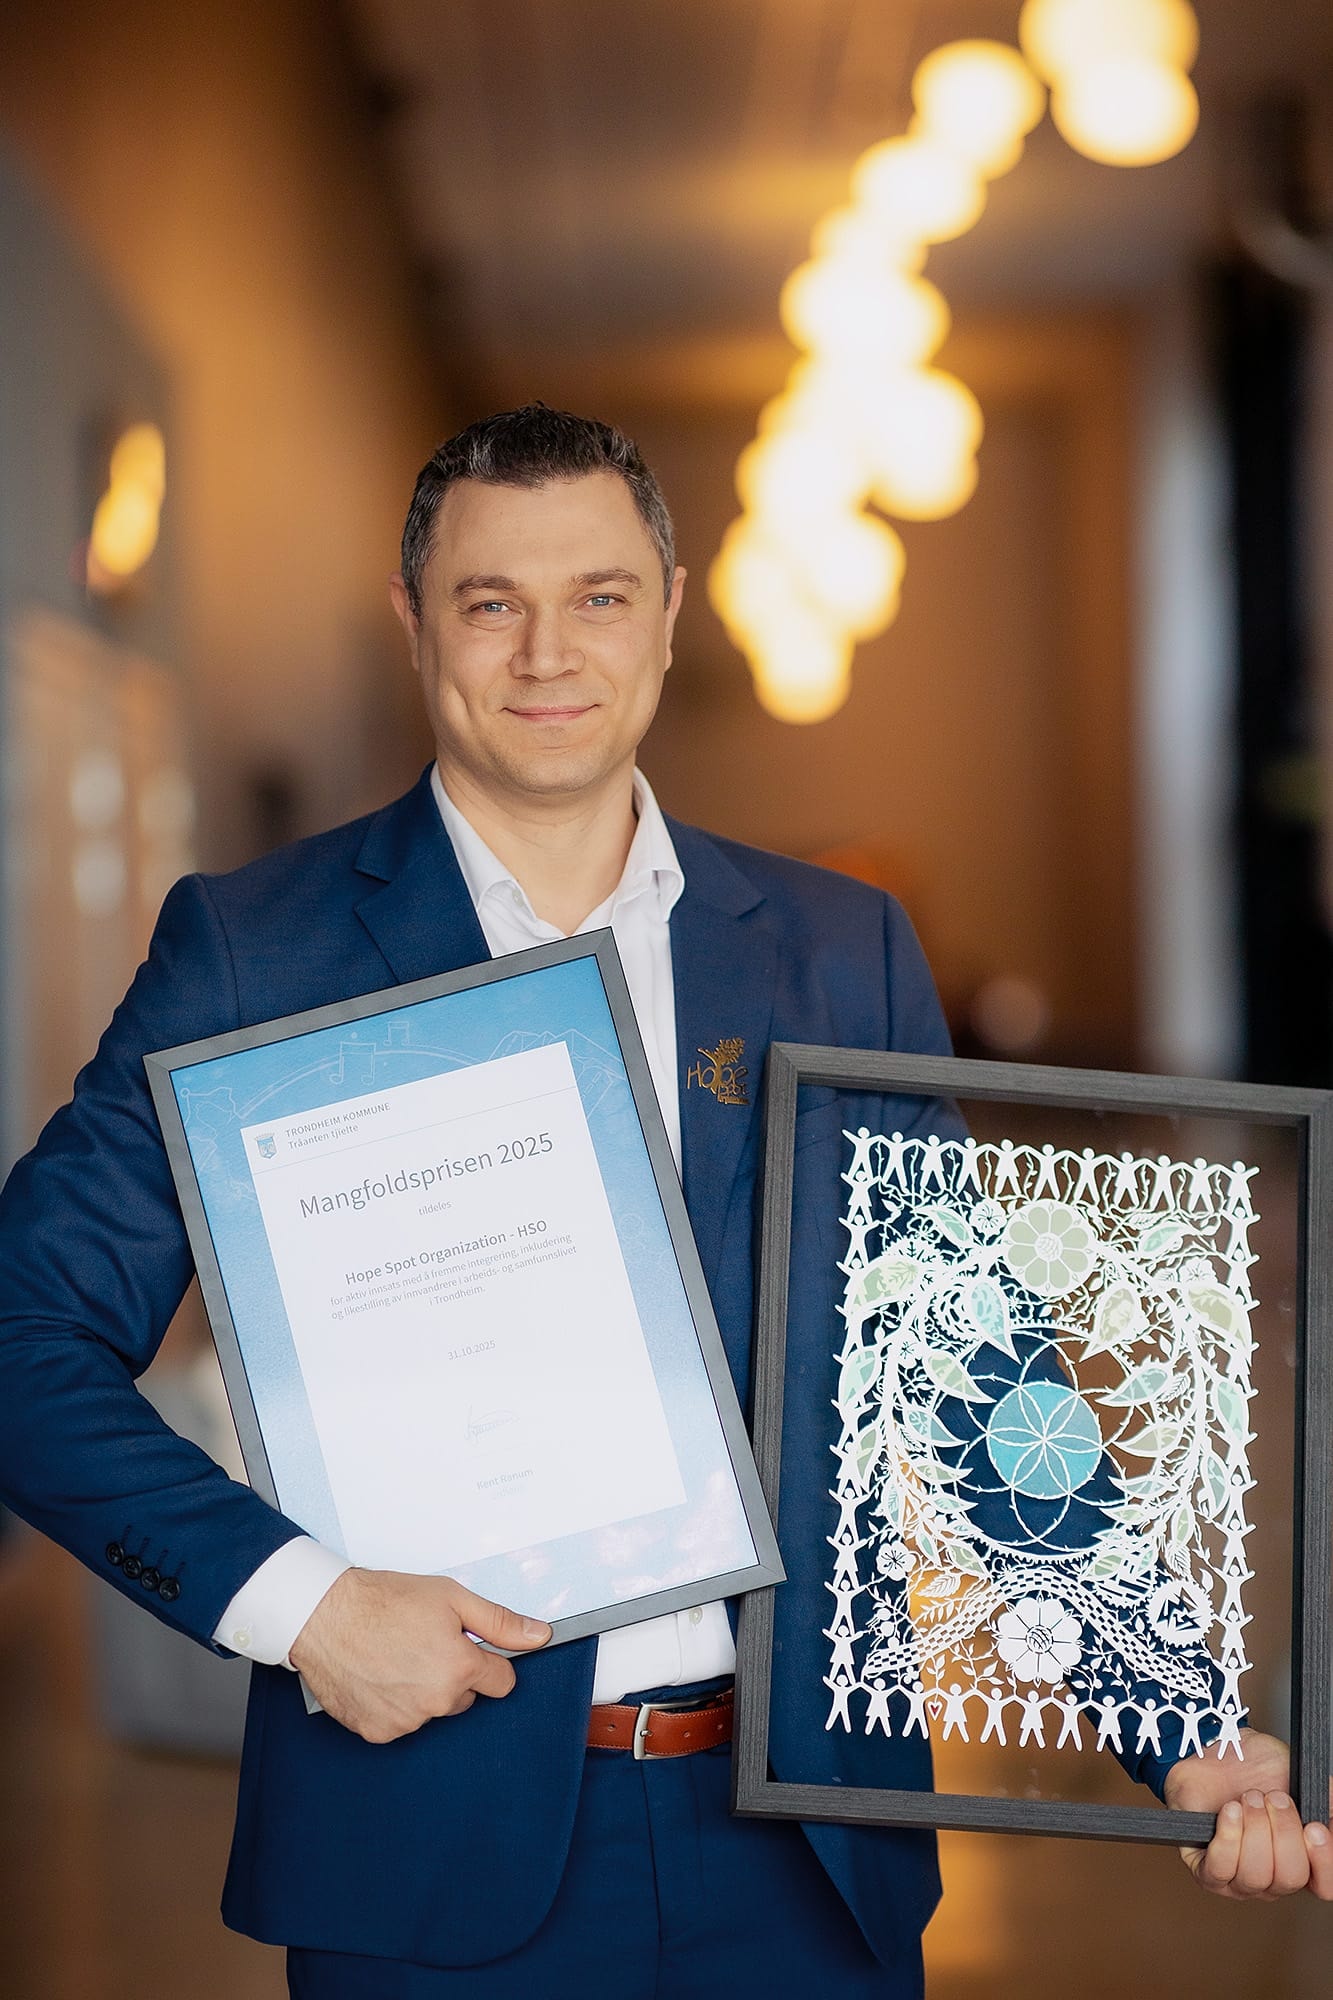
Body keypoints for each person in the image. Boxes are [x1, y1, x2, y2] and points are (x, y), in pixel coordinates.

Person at [0, 407, 1327, 1998]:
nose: (547, 652)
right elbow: (24, 1340)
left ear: (672, 613)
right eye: (491, 601)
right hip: (426, 1844)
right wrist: (306, 1611)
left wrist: (1178, 1721)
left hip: (804, 1847)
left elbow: (974, 1369)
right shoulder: (254, 950)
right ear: (414, 621)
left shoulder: (836, 950)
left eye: (599, 596)